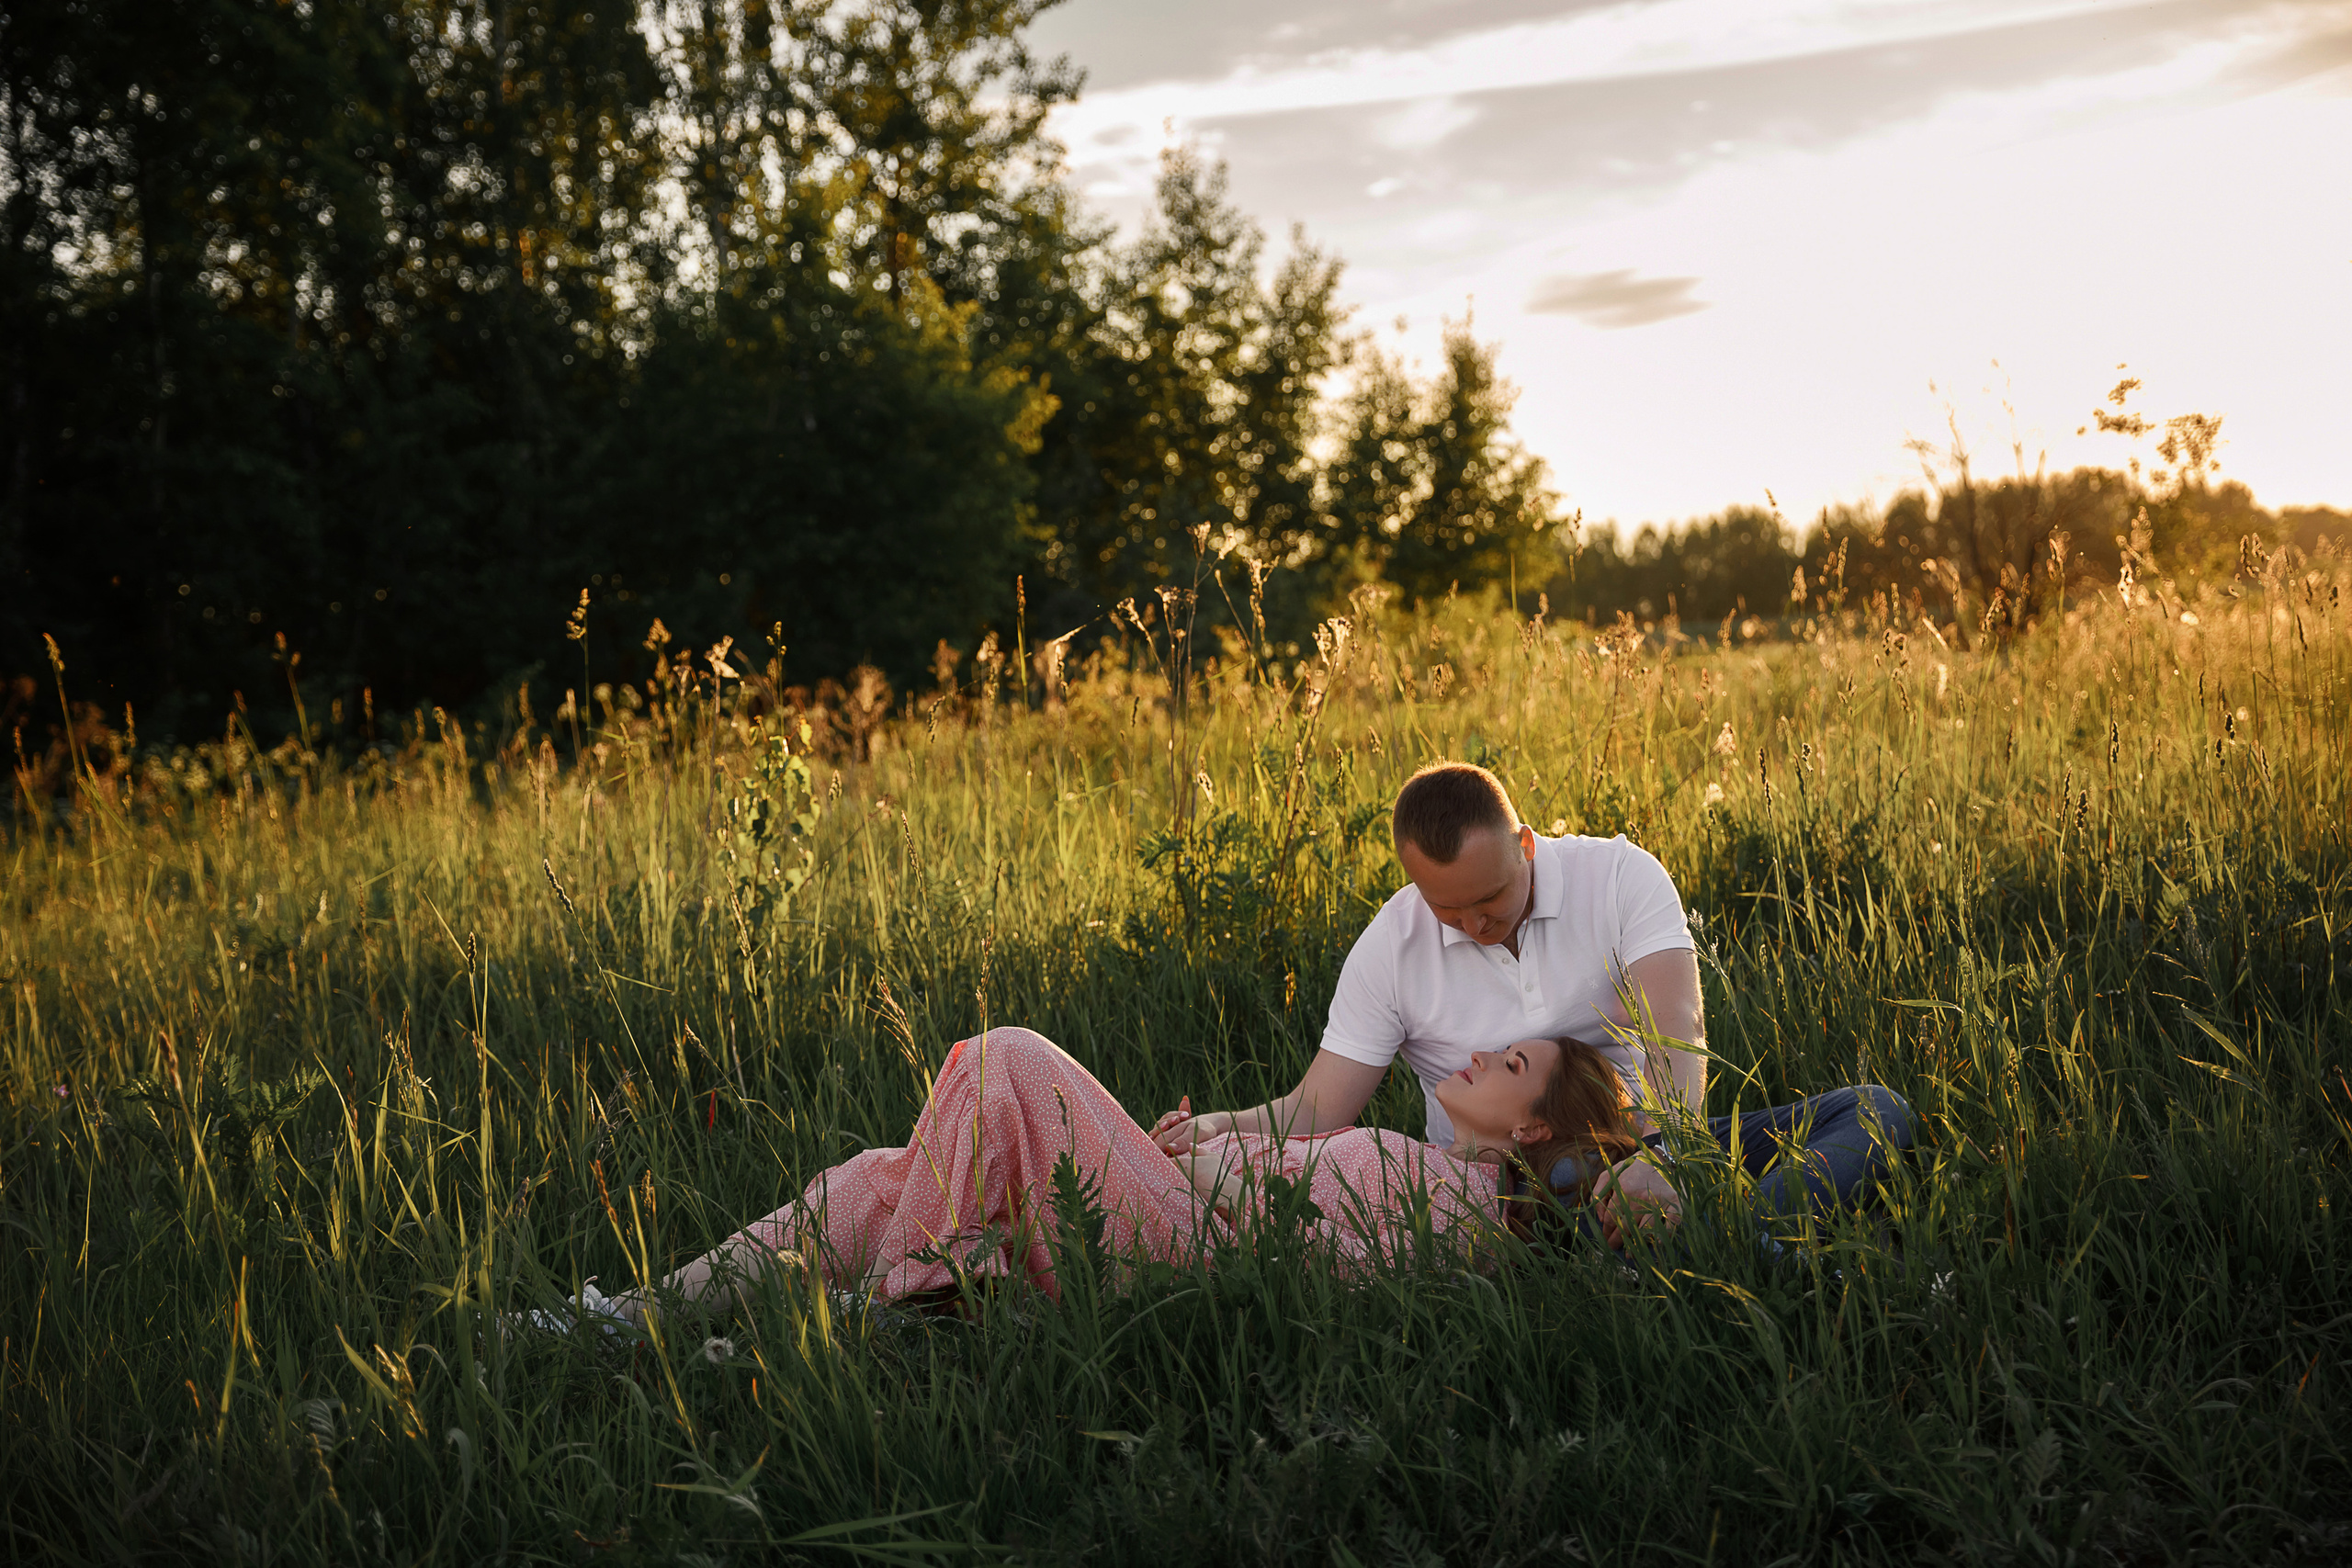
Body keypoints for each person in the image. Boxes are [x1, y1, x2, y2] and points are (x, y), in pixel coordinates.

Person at [1150, 761, 1913, 1248]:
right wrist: (1221, 1123)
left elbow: (1676, 1033)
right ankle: (1737, 1249)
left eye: (1489, 898)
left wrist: (1667, 1161)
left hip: (1650, 1137)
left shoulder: (1619, 877)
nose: (1474, 925)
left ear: (1525, 845)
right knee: (1567, 1189)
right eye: (1448, 910)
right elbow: (1319, 1105)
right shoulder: (1391, 946)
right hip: (1507, 1185)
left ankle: (1720, 1234)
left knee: (1877, 1111)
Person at [542, 1024, 1657, 1332]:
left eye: (1512, 1066)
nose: (1482, 1056)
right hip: (1168, 1210)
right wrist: (1199, 1148)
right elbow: (1284, 1177)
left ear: (1532, 1128)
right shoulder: (1425, 1166)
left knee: (1011, 1058)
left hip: (1177, 1251)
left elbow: (1309, 1249)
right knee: (880, 1177)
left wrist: (1204, 1171)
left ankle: (914, 1297)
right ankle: (626, 1317)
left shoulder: (1457, 1206)